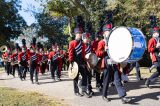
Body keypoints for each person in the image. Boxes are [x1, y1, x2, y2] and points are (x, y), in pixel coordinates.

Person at [96, 23, 131, 103]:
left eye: (110, 30)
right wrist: (104, 49)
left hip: (114, 63)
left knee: (117, 80)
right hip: (106, 63)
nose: (109, 32)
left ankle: (123, 97)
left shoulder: (115, 41)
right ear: (104, 33)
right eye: (107, 31)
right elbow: (98, 53)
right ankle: (104, 95)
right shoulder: (102, 42)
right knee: (106, 80)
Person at [68, 27, 91, 98]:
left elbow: (83, 53)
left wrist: (84, 62)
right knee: (76, 78)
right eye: (78, 33)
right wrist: (71, 62)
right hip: (75, 63)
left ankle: (84, 90)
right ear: (75, 34)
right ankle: (76, 91)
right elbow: (70, 53)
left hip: (81, 63)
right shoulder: (72, 43)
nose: (80, 35)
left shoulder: (82, 43)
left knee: (85, 76)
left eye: (80, 33)